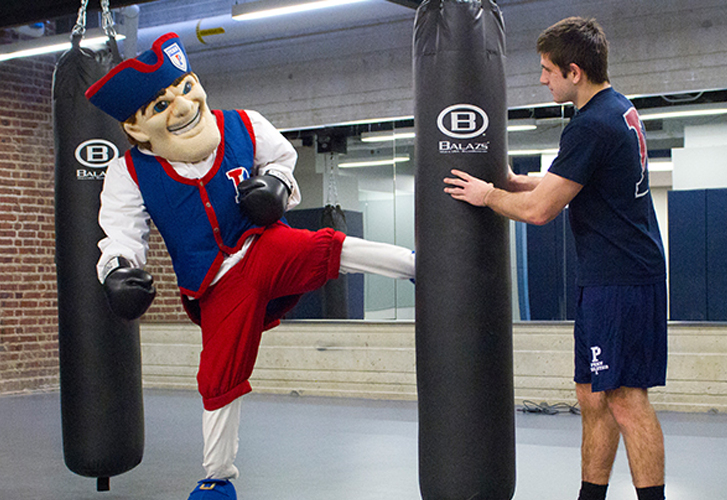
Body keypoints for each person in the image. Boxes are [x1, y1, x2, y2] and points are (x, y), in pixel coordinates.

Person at [85, 33, 415, 500]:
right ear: (138, 129)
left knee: (325, 247)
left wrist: (277, 187)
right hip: (216, 282)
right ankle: (217, 478)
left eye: (185, 88)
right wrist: (117, 272)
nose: (182, 107)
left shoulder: (243, 125)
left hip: (263, 244)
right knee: (218, 375)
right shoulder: (129, 172)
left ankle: (414, 265)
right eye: (161, 105)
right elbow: (120, 230)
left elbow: (283, 158)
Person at [443, 17, 667, 500]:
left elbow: (540, 210)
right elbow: (562, 184)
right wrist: (509, 178)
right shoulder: (614, 108)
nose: (542, 79)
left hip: (622, 279)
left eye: (547, 70)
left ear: (574, 71)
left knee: (626, 400)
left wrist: (486, 196)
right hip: (605, 277)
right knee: (592, 397)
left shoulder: (593, 125)